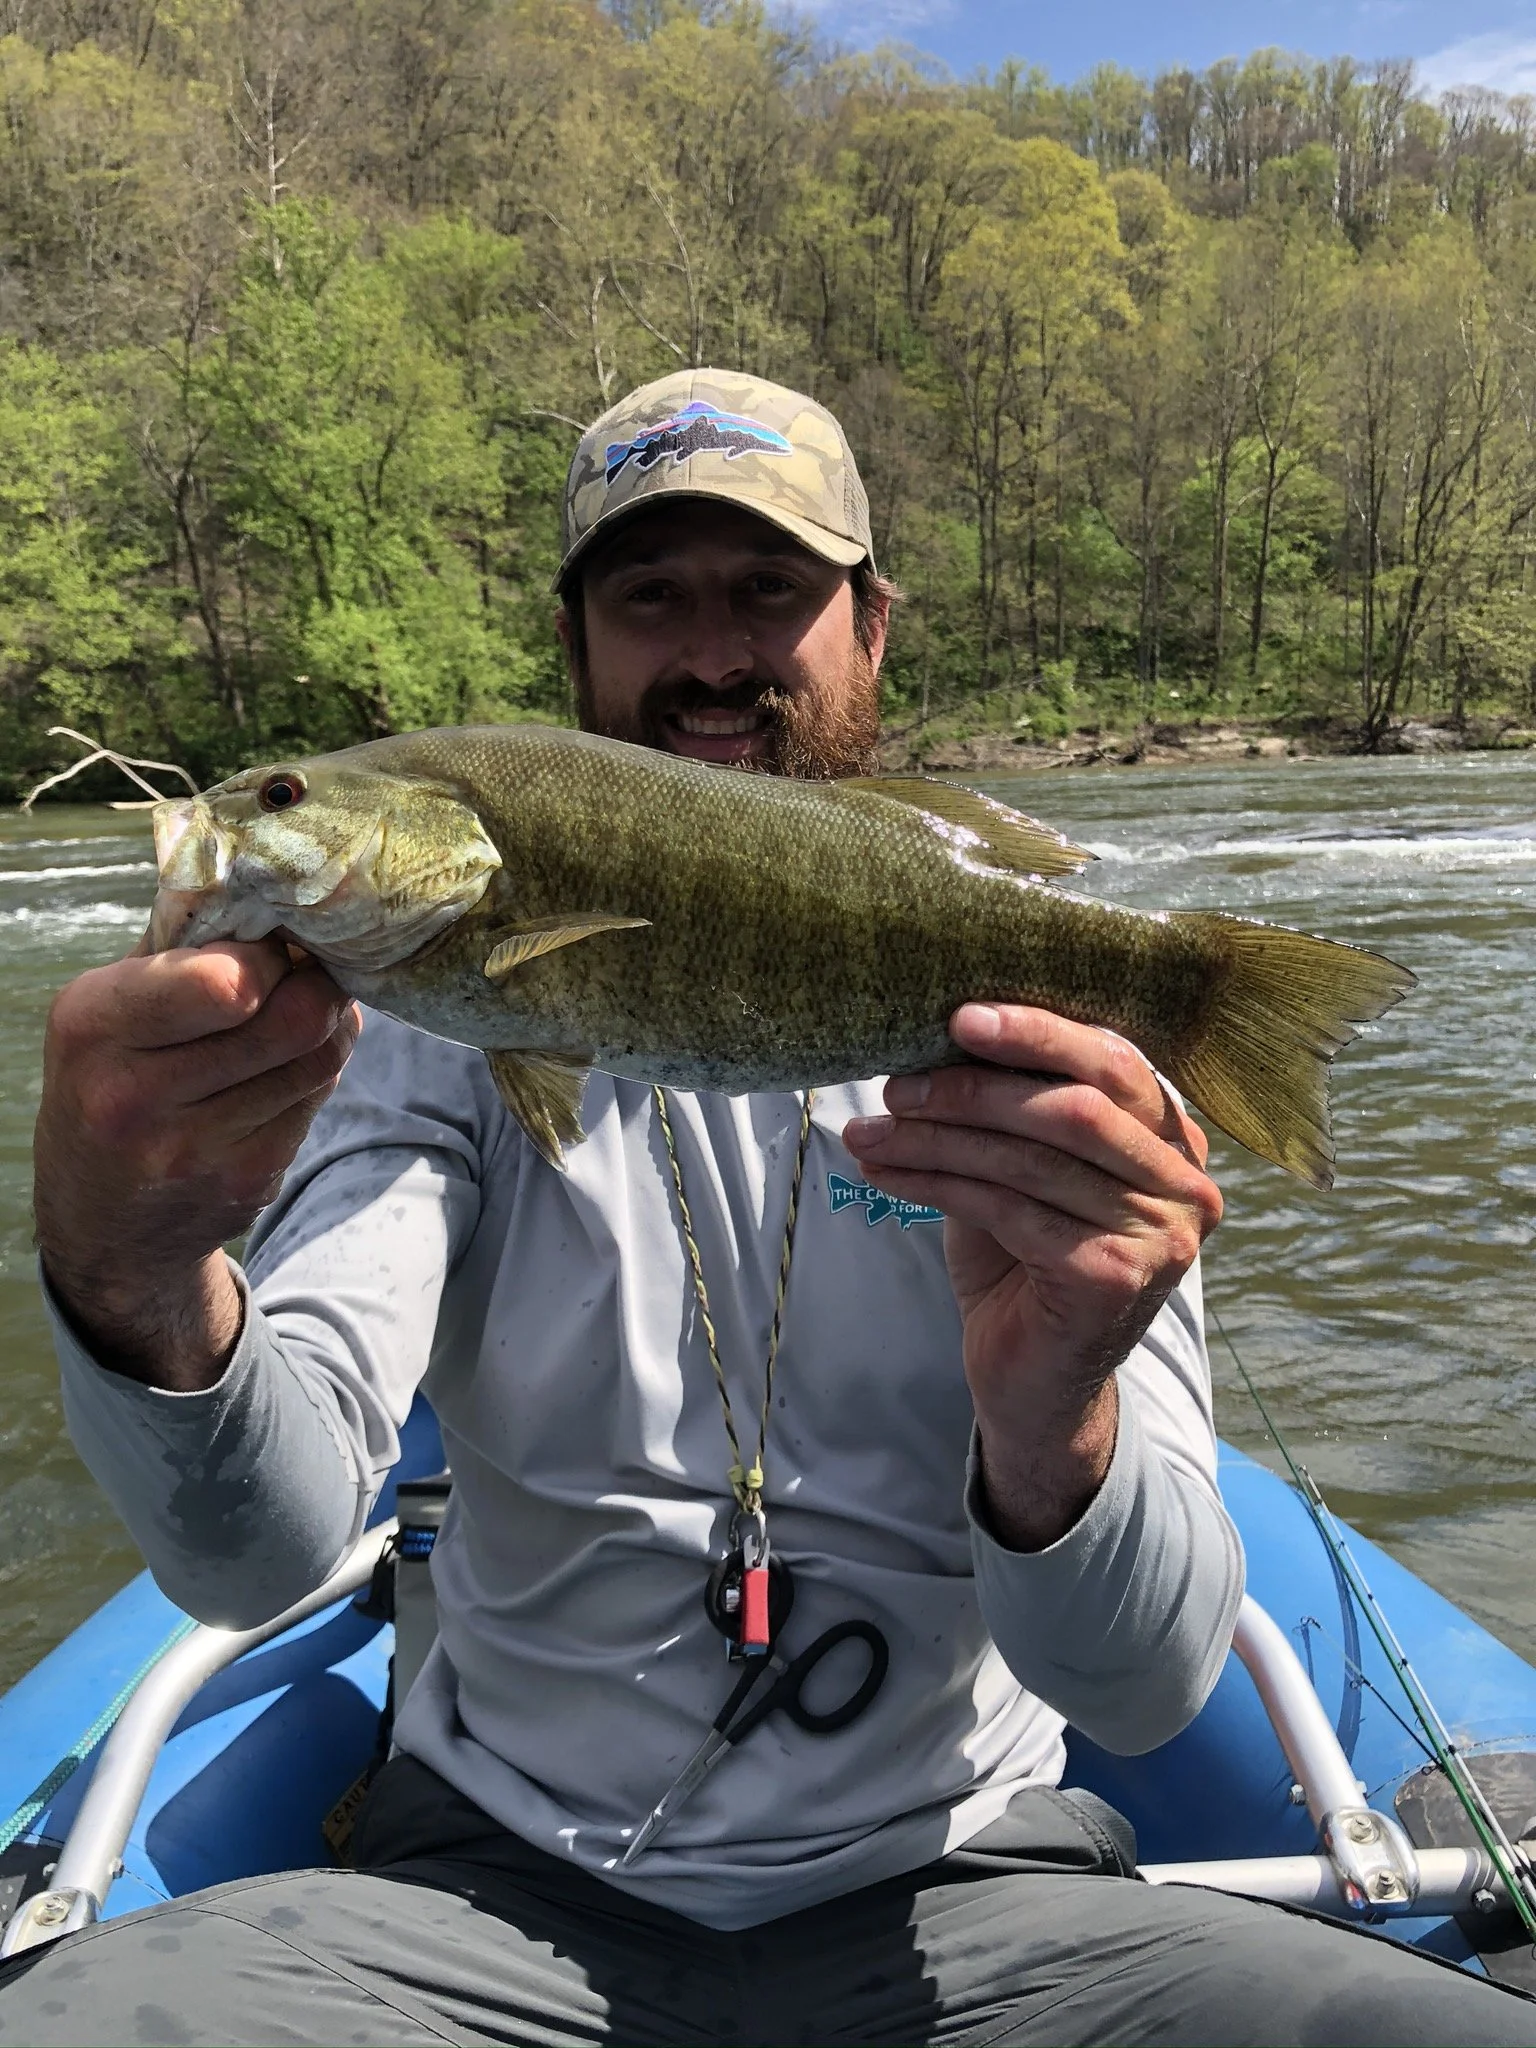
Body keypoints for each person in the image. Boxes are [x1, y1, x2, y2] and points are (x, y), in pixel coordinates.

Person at [5, 369, 1531, 2047]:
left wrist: (1056, 1417)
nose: (715, 651)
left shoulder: (1052, 1067)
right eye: (652, 596)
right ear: (577, 651)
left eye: (772, 592)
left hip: (977, 1893)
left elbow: (1145, 1687)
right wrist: (131, 1270)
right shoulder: (429, 1036)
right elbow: (262, 1553)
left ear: (871, 628)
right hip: (486, 1897)